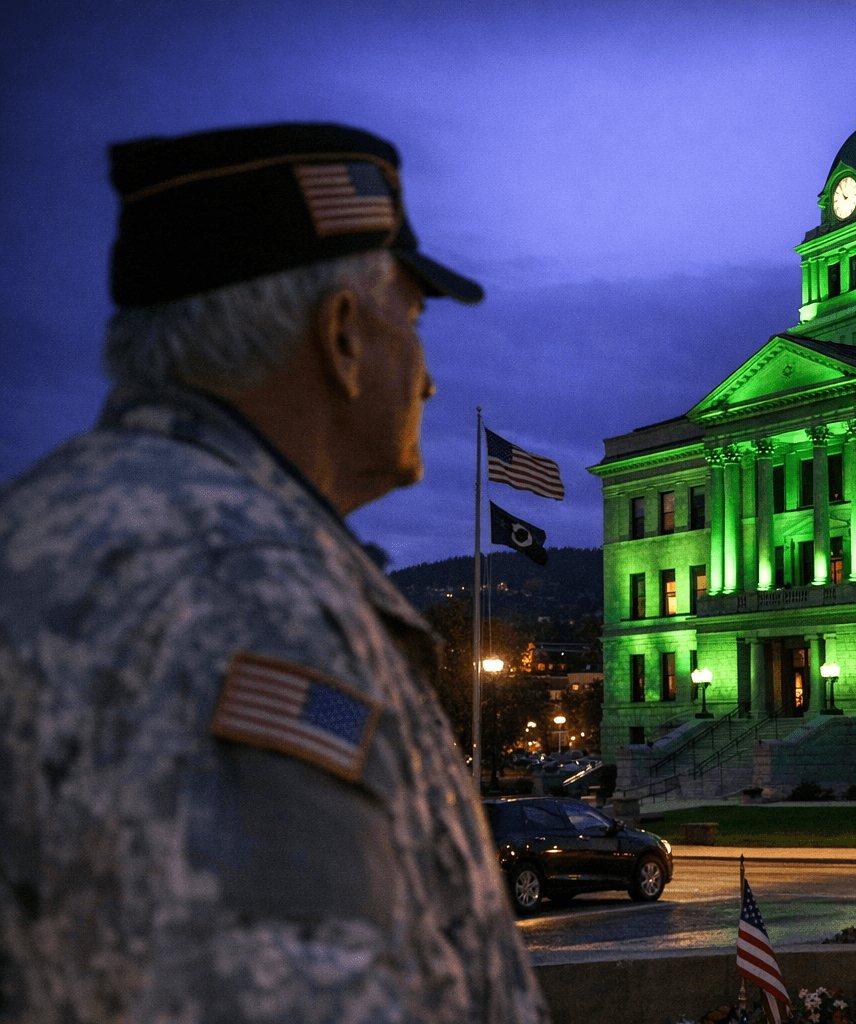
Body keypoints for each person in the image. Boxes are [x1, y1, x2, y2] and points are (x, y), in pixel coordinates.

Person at [0, 123, 549, 1023]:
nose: (430, 382)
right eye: (411, 319)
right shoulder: (251, 590)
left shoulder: (44, 527)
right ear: (340, 334)